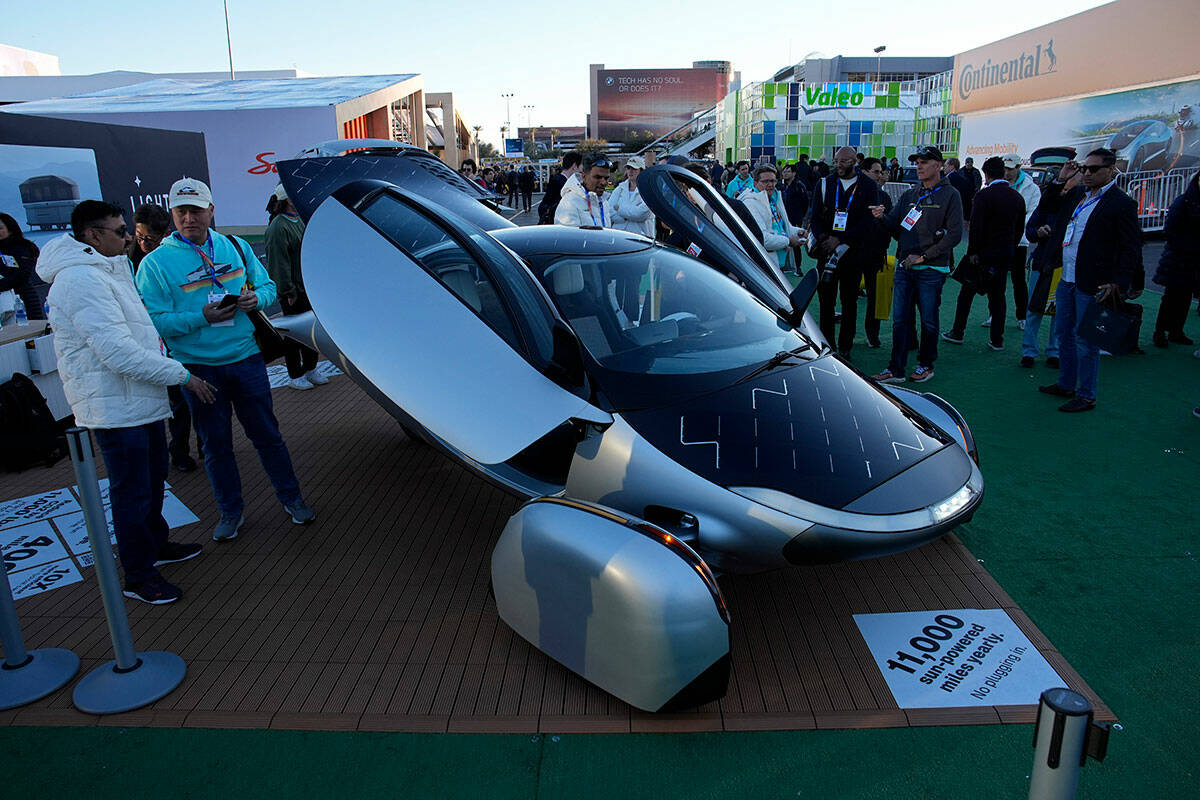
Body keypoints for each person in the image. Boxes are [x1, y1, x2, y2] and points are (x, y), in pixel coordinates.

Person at [35, 200, 217, 604]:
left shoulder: (110, 268)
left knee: (151, 484)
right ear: (92, 236)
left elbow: (138, 334)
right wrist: (182, 375)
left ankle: (155, 547)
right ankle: (138, 575)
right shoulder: (80, 280)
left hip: (139, 400)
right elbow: (116, 352)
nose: (130, 237)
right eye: (120, 231)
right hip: (115, 408)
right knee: (132, 492)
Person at [137, 178, 315, 541]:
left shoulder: (234, 245)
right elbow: (154, 322)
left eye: (197, 210)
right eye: (182, 211)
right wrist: (203, 316)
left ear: (211, 211)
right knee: (216, 445)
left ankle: (292, 498)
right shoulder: (154, 264)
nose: (190, 219)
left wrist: (257, 300)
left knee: (268, 435)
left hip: (246, 358)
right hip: (199, 369)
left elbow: (266, 287)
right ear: (172, 215)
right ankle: (230, 512)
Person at [1034, 149, 1141, 412]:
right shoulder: (1077, 195)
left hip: (1093, 281)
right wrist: (1061, 179)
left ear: (1110, 169)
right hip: (1066, 277)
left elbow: (1131, 247)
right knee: (1063, 333)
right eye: (1085, 168)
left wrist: (1119, 282)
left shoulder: (1121, 203)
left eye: (1094, 169)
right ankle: (1067, 384)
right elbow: (1047, 206)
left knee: (1086, 340)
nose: (1088, 173)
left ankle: (1087, 394)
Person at [869, 145, 964, 383]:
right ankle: (896, 368)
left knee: (929, 321)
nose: (919, 166)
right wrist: (881, 218)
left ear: (939, 165)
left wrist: (923, 257)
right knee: (900, 320)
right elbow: (894, 226)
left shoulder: (951, 195)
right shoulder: (910, 194)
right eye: (917, 162)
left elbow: (954, 235)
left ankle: (926, 365)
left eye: (924, 161)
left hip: (931, 269)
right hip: (905, 267)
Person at [126, 203, 201, 471]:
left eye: (150, 239)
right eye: (139, 236)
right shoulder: (127, 260)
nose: (144, 243)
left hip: (180, 338)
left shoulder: (175, 256)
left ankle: (205, 445)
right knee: (177, 403)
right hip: (150, 341)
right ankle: (179, 452)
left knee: (197, 397)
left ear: (164, 233)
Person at [942, 156, 1027, 349]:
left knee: (966, 294)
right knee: (998, 297)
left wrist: (973, 252)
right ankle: (997, 339)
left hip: (982, 255)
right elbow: (1019, 229)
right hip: (1005, 254)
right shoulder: (1017, 198)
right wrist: (1010, 247)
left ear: (986, 174)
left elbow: (976, 227)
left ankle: (957, 332)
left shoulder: (983, 196)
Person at [809, 146, 881, 358]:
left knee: (849, 302)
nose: (838, 165)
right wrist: (824, 239)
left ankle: (845, 347)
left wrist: (841, 239)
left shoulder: (868, 185)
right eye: (836, 161)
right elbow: (814, 217)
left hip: (853, 253)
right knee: (826, 302)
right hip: (826, 252)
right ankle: (827, 345)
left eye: (844, 161)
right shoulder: (824, 183)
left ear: (855, 161)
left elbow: (869, 221)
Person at [1021, 164, 1084, 368]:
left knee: (1061, 311)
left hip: (1068, 266)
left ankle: (1054, 351)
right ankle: (1029, 351)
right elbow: (1030, 230)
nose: (1067, 190)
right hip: (1045, 262)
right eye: (1065, 186)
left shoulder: (1083, 205)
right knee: (1034, 308)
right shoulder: (1051, 203)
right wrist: (1038, 231)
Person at [265, 184, 326, 390]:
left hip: (308, 286)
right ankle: (295, 373)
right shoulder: (278, 226)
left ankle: (310, 367)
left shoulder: (299, 219)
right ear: (287, 199)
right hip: (294, 290)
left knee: (311, 329)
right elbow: (279, 262)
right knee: (294, 333)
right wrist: (287, 290)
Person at [982, 154, 1041, 330]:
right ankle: (994, 314)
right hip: (998, 241)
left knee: (1018, 280)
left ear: (1018, 168)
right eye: (1005, 168)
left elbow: (1033, 214)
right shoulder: (993, 186)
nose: (1007, 172)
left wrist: (1012, 224)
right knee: (995, 280)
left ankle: (1022, 316)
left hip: (1019, 241)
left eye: (1010, 168)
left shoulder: (1031, 188)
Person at [1151, 170, 1199, 348]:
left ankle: (1176, 331)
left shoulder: (1189, 201)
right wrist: (1185, 248)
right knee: (1171, 297)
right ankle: (1160, 332)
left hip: (1192, 259)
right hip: (1179, 258)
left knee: (1185, 297)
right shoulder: (1184, 201)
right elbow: (1170, 230)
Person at [738, 164, 804, 273]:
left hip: (777, 263)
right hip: (763, 266)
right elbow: (762, 239)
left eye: (773, 181)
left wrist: (798, 232)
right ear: (755, 183)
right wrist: (788, 241)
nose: (770, 185)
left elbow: (781, 227)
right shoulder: (750, 203)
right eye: (765, 182)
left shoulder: (774, 199)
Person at [862, 157, 893, 348]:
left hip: (876, 254)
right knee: (848, 297)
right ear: (865, 172)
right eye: (876, 171)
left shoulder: (885, 197)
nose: (880, 175)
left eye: (881, 172)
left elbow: (889, 224)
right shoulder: (853, 193)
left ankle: (872, 334)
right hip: (854, 253)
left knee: (875, 296)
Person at [0, 211, 47, 320]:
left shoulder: (22, 248)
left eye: (0, 228)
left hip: (24, 299)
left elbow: (21, 275)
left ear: (10, 229)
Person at [554, 152, 612, 227]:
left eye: (606, 178)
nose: (603, 182)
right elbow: (566, 237)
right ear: (584, 176)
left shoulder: (604, 202)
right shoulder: (570, 203)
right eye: (598, 177)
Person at [609, 156, 655, 238]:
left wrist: (619, 209)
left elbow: (642, 214)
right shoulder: (619, 189)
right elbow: (610, 212)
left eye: (634, 168)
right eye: (628, 168)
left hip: (641, 238)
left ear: (641, 170)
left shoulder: (649, 189)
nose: (630, 171)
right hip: (619, 237)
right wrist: (630, 214)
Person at [780, 163, 810, 273]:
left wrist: (800, 216)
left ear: (794, 173)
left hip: (795, 218)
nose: (785, 174)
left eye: (788, 171)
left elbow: (805, 202)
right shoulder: (781, 185)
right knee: (782, 240)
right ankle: (784, 266)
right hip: (782, 218)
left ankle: (798, 267)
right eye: (784, 171)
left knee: (796, 243)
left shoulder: (799, 186)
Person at [943, 157, 975, 222]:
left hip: (947, 215)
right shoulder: (964, 180)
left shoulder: (947, 181)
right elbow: (968, 200)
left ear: (952, 166)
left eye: (945, 166)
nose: (944, 168)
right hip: (960, 213)